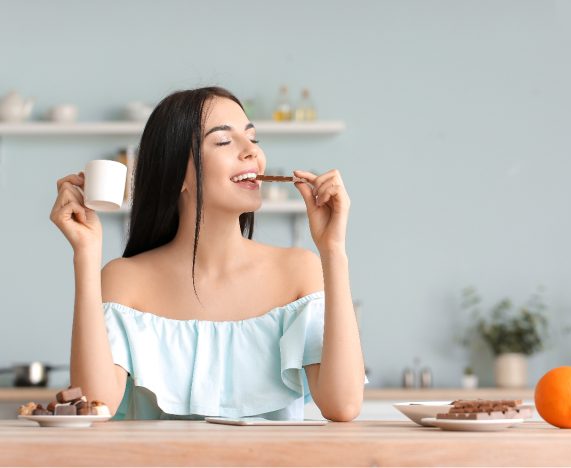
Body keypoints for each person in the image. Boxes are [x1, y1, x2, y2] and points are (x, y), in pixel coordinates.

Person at [49, 86, 365, 421]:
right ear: (177, 174)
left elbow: (342, 405)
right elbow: (94, 406)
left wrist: (333, 250)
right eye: (224, 141)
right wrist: (85, 253)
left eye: (253, 139)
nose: (251, 153)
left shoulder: (300, 271)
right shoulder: (124, 279)